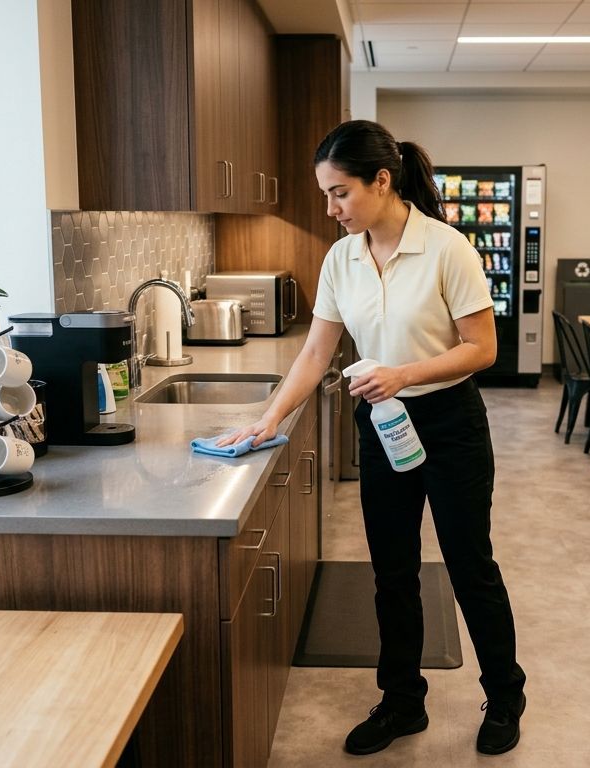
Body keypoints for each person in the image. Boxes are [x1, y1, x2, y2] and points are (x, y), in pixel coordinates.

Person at [218, 120, 527, 756]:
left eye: (339, 193)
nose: (330, 209)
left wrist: (402, 374)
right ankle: (402, 702)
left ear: (382, 181)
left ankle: (504, 694)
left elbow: (483, 349)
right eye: (326, 195)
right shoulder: (342, 258)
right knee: (392, 571)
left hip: (449, 423)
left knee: (470, 566)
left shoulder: (448, 250)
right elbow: (315, 353)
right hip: (384, 426)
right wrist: (270, 418)